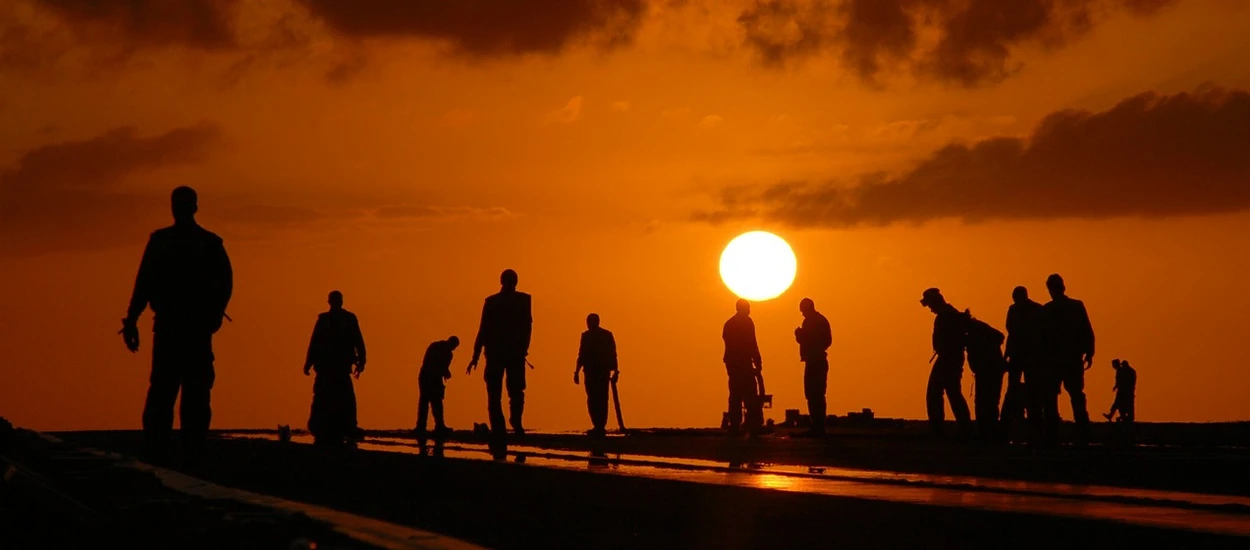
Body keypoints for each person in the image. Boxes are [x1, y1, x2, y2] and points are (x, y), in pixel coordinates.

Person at [120, 186, 232, 462]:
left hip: (184, 329)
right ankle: (175, 450)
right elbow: (144, 283)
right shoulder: (199, 243)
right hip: (181, 328)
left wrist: (133, 319)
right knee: (175, 391)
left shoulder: (195, 243)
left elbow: (224, 284)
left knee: (180, 391)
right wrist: (132, 320)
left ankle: (177, 449)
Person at [467, 269, 533, 458]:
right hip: (508, 353)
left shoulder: (495, 301)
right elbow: (527, 326)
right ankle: (513, 424)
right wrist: (476, 355)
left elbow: (483, 329)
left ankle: (503, 427)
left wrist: (476, 355)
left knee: (500, 394)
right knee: (513, 392)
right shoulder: (521, 300)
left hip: (502, 354)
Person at [303, 290, 367, 447]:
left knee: (344, 398)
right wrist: (308, 363)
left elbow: (358, 341)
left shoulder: (348, 319)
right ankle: (322, 426)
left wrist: (362, 360)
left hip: (339, 367)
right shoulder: (325, 320)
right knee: (324, 398)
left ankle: (346, 426)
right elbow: (315, 342)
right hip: (327, 368)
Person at [1042, 274, 1095, 446]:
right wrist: (1089, 352)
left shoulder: (1048, 310)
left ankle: (1053, 435)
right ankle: (1082, 433)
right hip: (1070, 358)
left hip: (1055, 359)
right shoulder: (1076, 306)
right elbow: (1086, 330)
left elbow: (1041, 337)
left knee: (1052, 397)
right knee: (1076, 395)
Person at [920, 288, 972, 438]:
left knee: (935, 392)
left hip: (948, 358)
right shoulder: (950, 314)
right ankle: (964, 427)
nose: (930, 309)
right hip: (951, 358)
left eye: (930, 305)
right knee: (952, 392)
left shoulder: (946, 316)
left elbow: (949, 340)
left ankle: (939, 428)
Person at [1004, 286, 1045, 444]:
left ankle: (1031, 429)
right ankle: (1018, 425)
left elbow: (1013, 333)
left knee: (1029, 390)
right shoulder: (1030, 309)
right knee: (1018, 389)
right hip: (1021, 355)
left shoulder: (1032, 310)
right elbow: (1011, 333)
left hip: (1028, 356)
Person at [573, 313, 619, 437]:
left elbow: (613, 354)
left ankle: (600, 426)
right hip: (589, 372)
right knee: (592, 399)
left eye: (590, 321)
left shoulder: (607, 335)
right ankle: (597, 425)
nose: (588, 324)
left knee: (602, 399)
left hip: (602, 372)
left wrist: (615, 371)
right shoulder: (585, 336)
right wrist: (576, 372)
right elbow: (581, 355)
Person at [723, 299, 764, 437]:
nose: (749, 310)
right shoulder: (745, 323)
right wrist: (757, 360)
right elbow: (752, 342)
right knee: (747, 392)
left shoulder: (730, 324)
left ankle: (737, 424)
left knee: (737, 393)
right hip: (739, 363)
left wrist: (756, 359)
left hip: (735, 363)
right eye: (748, 307)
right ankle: (748, 424)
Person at [965, 313, 1007, 443]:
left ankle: (986, 432)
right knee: (989, 401)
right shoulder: (977, 330)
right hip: (990, 369)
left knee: (985, 401)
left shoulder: (976, 331)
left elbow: (999, 337)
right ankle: (988, 431)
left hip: (989, 369)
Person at [794, 298, 832, 436]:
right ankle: (816, 425)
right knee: (811, 393)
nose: (802, 314)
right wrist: (801, 337)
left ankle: (818, 426)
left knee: (817, 393)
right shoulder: (811, 321)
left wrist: (803, 335)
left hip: (817, 361)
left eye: (803, 311)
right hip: (812, 361)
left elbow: (826, 340)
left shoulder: (818, 321)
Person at [416, 336, 459, 437]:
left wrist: (445, 372)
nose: (453, 348)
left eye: (454, 347)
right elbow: (428, 363)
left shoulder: (449, 354)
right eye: (453, 346)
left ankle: (439, 426)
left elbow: (444, 367)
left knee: (437, 403)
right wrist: (442, 371)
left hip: (436, 378)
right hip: (426, 376)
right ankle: (421, 426)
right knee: (425, 401)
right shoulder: (435, 346)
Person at [1104, 359, 1136, 423]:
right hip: (1125, 391)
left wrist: (1117, 386)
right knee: (1120, 404)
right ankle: (1120, 416)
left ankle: (1124, 416)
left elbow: (1123, 381)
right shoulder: (1128, 371)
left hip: (1124, 391)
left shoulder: (1125, 371)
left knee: (1120, 403)